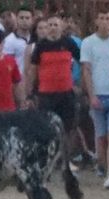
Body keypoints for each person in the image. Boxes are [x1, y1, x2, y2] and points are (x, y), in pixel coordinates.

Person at [79, 10, 109, 189]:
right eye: (101, 18)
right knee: (101, 137)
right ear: (96, 21)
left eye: (108, 18)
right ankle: (103, 165)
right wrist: (92, 95)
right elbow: (86, 70)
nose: (105, 22)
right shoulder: (88, 42)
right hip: (98, 94)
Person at [27, 16, 80, 169]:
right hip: (46, 94)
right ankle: (46, 161)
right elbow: (32, 70)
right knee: (46, 129)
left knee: (68, 128)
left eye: (55, 24)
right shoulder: (41, 46)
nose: (52, 27)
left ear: (61, 26)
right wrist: (31, 92)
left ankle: (66, 161)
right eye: (50, 25)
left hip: (66, 93)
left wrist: (78, 83)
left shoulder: (69, 43)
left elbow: (82, 62)